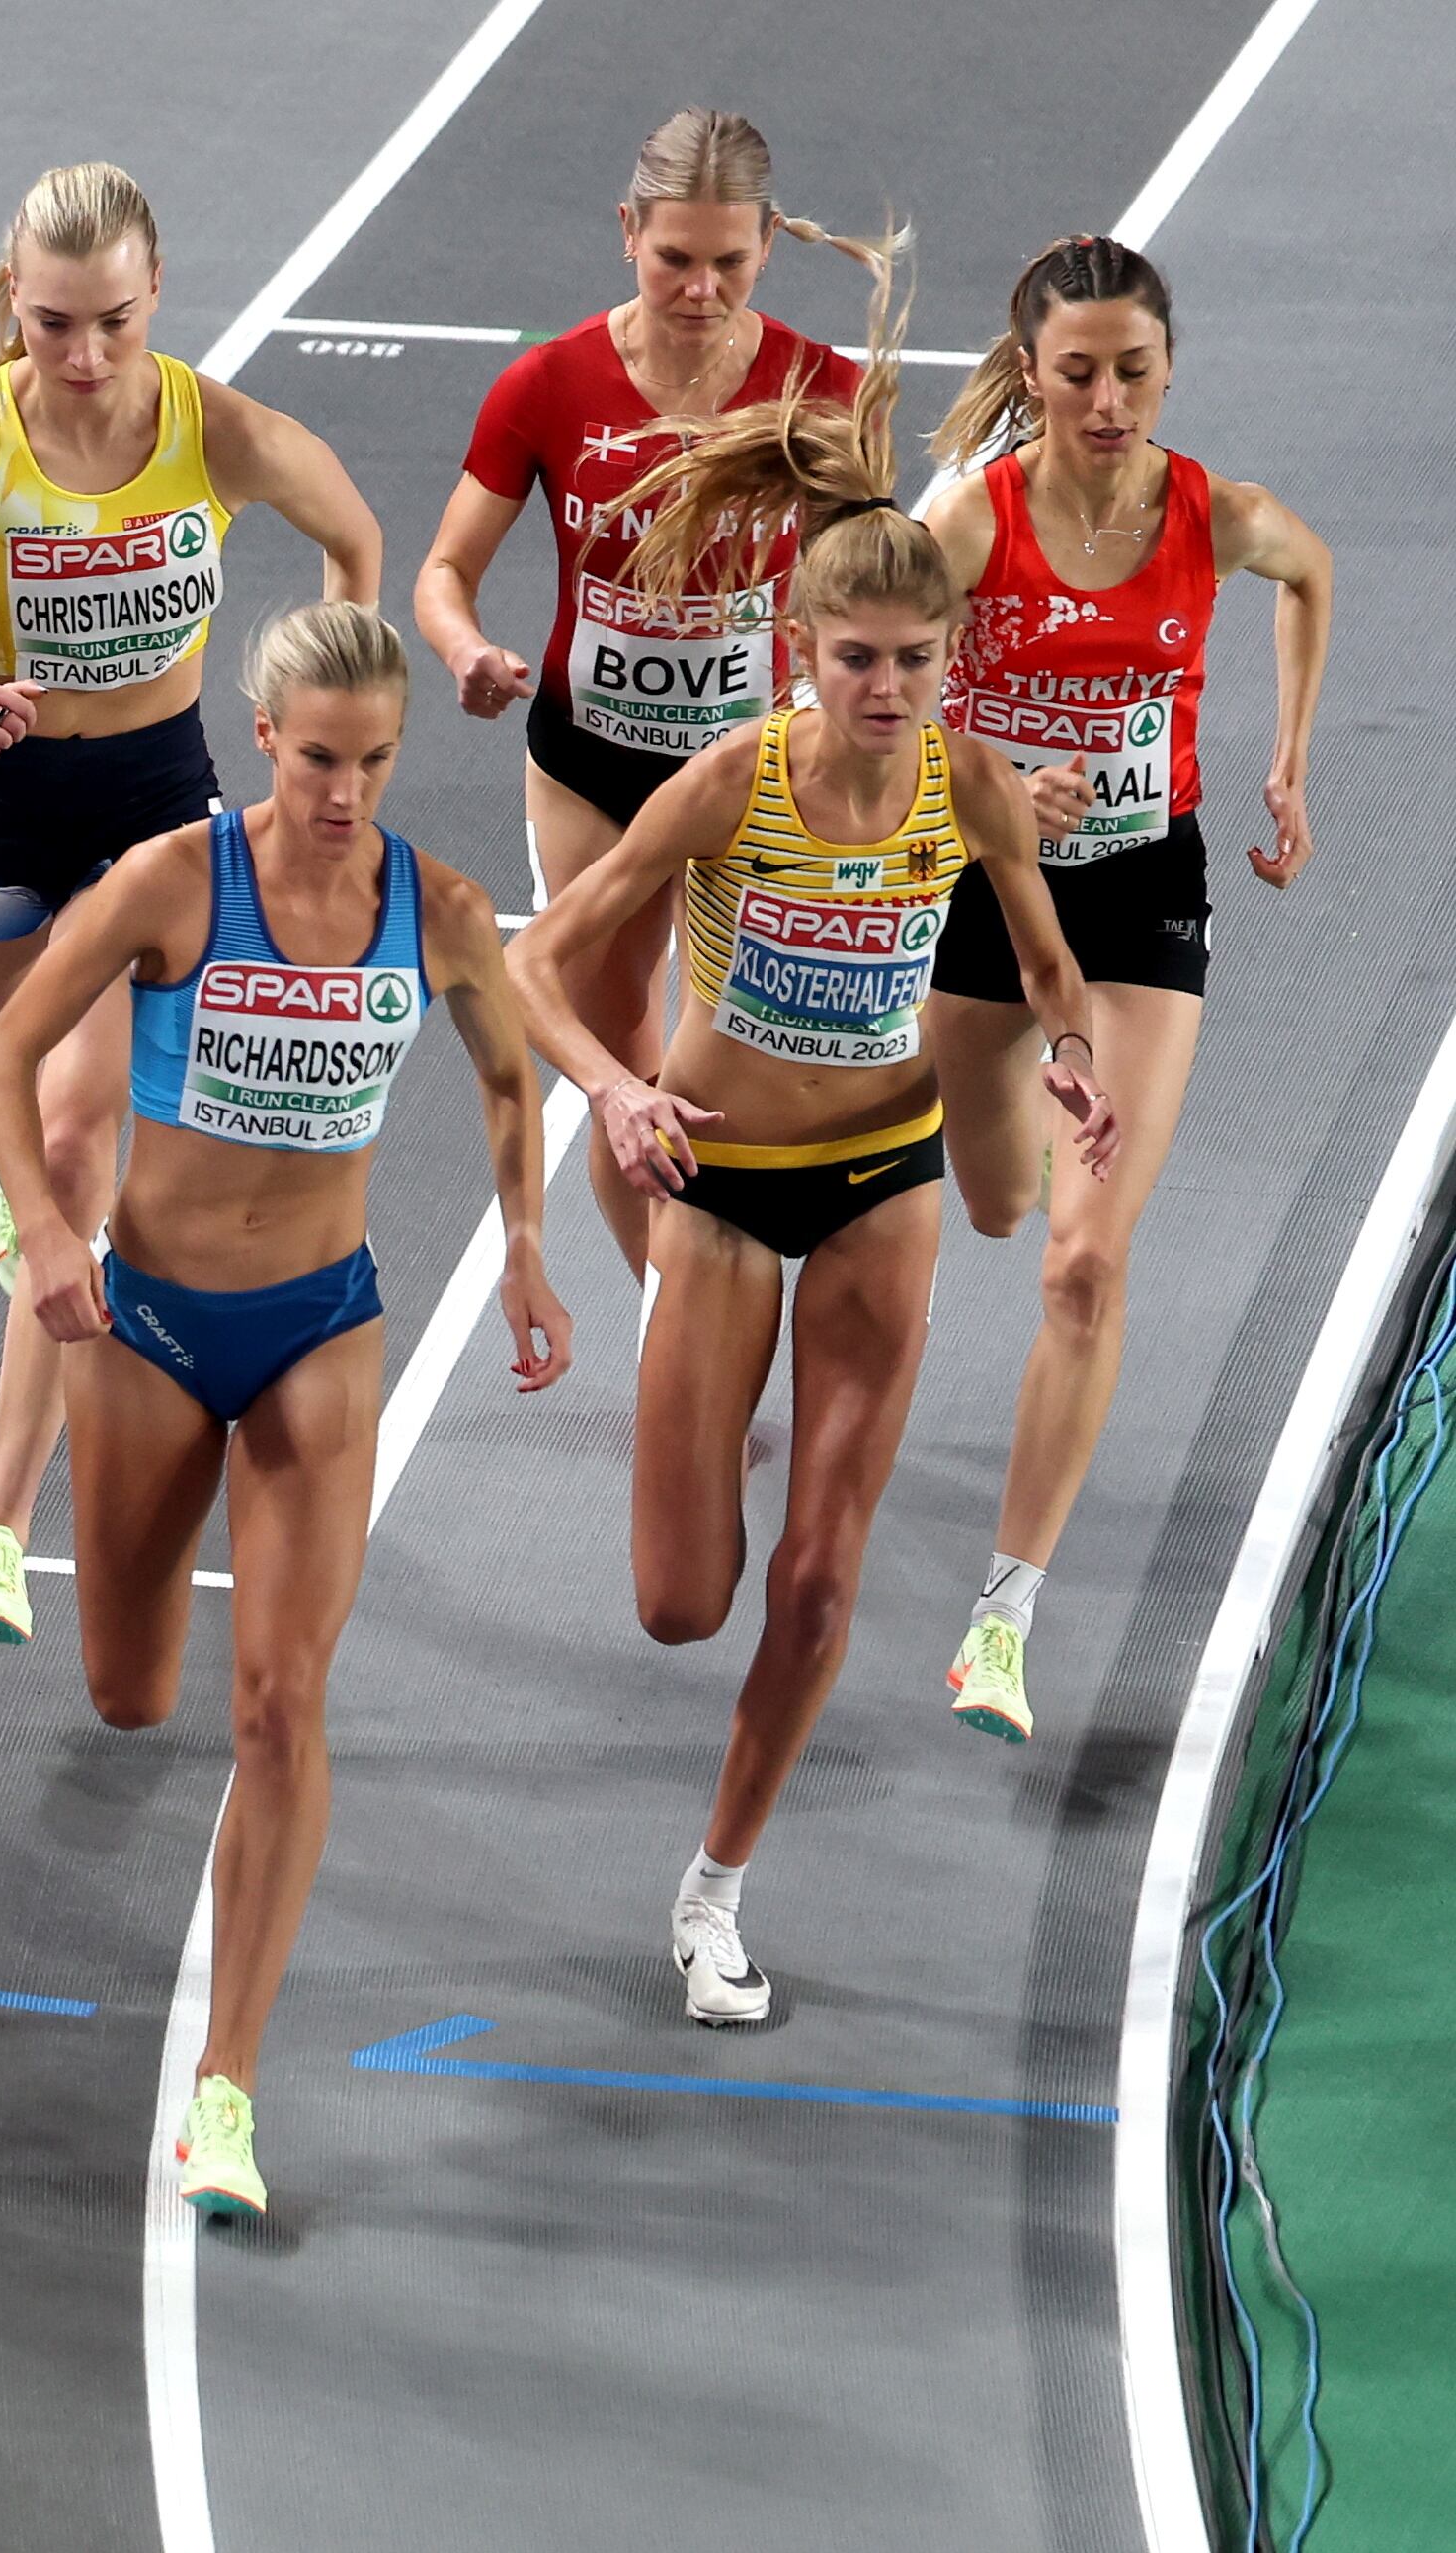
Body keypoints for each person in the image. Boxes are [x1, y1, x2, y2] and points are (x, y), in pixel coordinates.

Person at [504, 253, 1122, 2027]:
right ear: (802, 651)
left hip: (881, 1182)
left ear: (949, 658)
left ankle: (716, 1886)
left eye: (916, 660)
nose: (885, 685)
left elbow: (1052, 960)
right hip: (716, 1182)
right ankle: (680, 1373)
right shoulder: (734, 778)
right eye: (855, 656)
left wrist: (1067, 1055)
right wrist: (615, 1094)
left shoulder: (969, 779)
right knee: (681, 1604)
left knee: (826, 1565)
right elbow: (531, 960)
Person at [0, 601, 566, 2217]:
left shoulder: (435, 908)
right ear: (266, 739)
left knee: (280, 1702)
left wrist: (524, 1245)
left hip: (324, 1320)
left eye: (374, 761)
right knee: (126, 1688)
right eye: (319, 758)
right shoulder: (177, 882)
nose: (343, 792)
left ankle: (226, 2078)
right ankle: (109, 1627)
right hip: (152, 1323)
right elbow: (11, 1052)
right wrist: (44, 1223)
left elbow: (515, 1076)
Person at [0, 160, 382, 1644]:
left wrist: (315, 700)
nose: (82, 359)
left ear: (157, 302)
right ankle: (28, 1219)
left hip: (151, 807)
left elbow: (355, 540)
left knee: (67, 1144)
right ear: (16, 302)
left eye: (114, 325)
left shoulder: (213, 427)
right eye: (54, 324)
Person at [917, 235, 1336, 1743]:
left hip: (1147, 894)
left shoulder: (1210, 514)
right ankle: (1015, 1107)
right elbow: (854, 684)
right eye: (1078, 371)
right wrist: (982, 782)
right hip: (979, 895)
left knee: (1082, 1264)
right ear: (1029, 370)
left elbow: (1311, 572)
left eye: (1135, 372)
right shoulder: (972, 524)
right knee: (988, 1202)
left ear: (1170, 369)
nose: (1108, 400)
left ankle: (1001, 1624)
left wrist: (1286, 760)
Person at [415, 109, 872, 1279]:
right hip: (593, 766)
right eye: (675, 258)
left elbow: (867, 590)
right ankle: (670, 1309)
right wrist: (466, 649)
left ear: (768, 243)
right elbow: (443, 571)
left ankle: (757, 1264)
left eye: (728, 261)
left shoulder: (823, 388)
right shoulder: (549, 383)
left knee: (739, 1049)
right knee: (623, 1056)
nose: (701, 289)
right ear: (627, 233)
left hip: (759, 769)